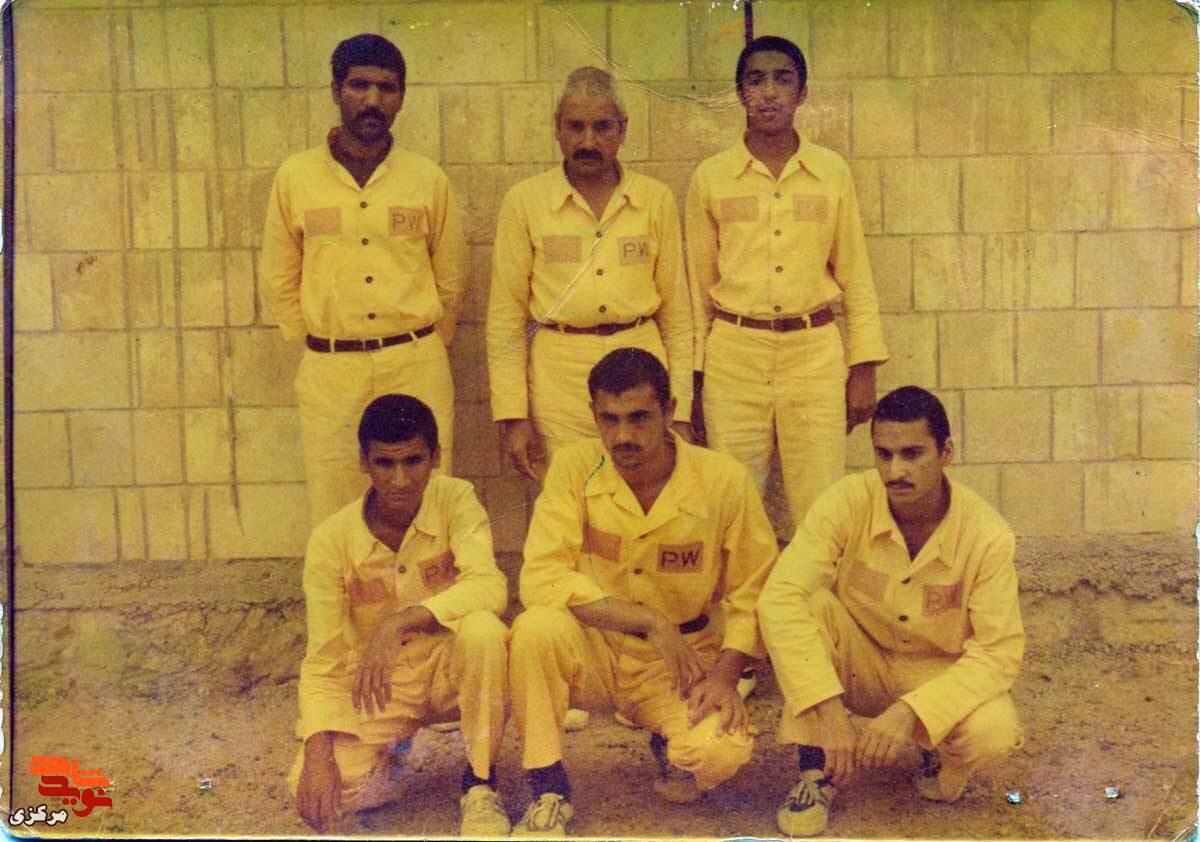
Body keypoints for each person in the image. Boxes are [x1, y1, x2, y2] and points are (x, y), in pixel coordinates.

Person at [506, 348, 778, 836]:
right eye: (608, 419)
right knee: (535, 629)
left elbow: (753, 590)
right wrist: (648, 621)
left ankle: (667, 740)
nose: (623, 436)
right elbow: (540, 577)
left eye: (638, 417)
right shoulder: (573, 466)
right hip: (597, 647)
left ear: (668, 411)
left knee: (718, 753)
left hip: (681, 659)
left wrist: (724, 676)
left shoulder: (722, 479)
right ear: (593, 415)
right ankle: (548, 785)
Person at [757, 386, 1024, 836]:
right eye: (884, 454)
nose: (895, 471)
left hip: (934, 671)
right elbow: (778, 597)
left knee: (994, 731)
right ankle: (816, 770)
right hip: (860, 660)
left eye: (912, 454)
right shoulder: (847, 500)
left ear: (946, 452)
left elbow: (999, 652)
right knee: (810, 605)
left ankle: (936, 753)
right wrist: (830, 714)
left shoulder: (986, 534)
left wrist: (912, 712)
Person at [260, 33, 467, 526]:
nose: (372, 100)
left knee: (427, 501)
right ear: (336, 90)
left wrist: (420, 344)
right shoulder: (296, 177)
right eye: (359, 85)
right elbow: (279, 274)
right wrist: (317, 340)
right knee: (335, 499)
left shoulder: (427, 179)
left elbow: (452, 276)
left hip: (413, 363)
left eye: (386, 88)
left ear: (401, 97)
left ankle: (426, 582)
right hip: (332, 370)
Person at [685, 35, 889, 527]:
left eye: (783, 79)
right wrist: (692, 381)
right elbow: (695, 290)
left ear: (802, 92)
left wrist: (862, 367)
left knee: (820, 506)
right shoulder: (711, 177)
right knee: (733, 506)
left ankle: (813, 584)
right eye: (756, 80)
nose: (769, 92)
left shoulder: (831, 172)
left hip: (813, 355)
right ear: (740, 93)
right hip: (734, 355)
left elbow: (856, 274)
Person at [287, 395, 510, 836]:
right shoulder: (331, 540)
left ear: (436, 456)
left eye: (413, 461)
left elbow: (490, 587)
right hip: (382, 683)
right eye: (385, 463)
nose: (401, 479)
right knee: (321, 791)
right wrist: (317, 751)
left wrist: (401, 620)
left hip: (452, 667)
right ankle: (393, 756)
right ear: (363, 461)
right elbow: (322, 659)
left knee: (485, 630)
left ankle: (481, 782)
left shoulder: (456, 498)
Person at [488, 66, 695, 484]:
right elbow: (505, 317)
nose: (588, 141)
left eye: (602, 127)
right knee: (569, 498)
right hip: (559, 383)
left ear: (623, 129)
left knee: (645, 496)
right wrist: (514, 416)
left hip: (642, 371)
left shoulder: (654, 200)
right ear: (557, 129)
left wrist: (682, 409)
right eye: (575, 127)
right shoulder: (525, 202)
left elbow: (677, 315)